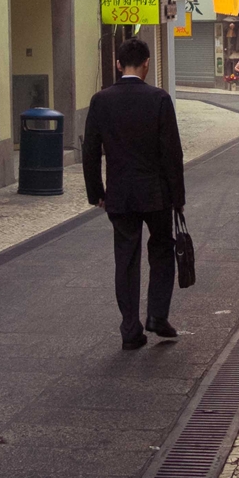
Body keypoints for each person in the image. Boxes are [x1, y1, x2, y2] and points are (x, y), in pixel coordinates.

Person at [82, 38, 186, 351]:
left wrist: (96, 192)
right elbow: (172, 153)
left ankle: (130, 329)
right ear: (146, 64)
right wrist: (177, 197)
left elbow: (90, 150)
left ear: (117, 64)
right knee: (162, 251)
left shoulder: (101, 100)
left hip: (120, 194)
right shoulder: (159, 99)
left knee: (125, 259)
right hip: (155, 193)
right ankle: (157, 314)